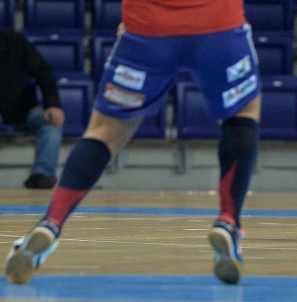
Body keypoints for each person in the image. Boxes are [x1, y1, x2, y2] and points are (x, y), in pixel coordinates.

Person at [5, 1, 260, 285]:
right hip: (218, 25)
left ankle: (50, 224)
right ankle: (228, 221)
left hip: (147, 29)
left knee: (103, 131)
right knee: (242, 113)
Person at [0, 29, 65, 189]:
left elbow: (44, 72)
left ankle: (42, 175)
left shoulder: (14, 40)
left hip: (22, 106)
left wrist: (53, 105)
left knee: (51, 123)